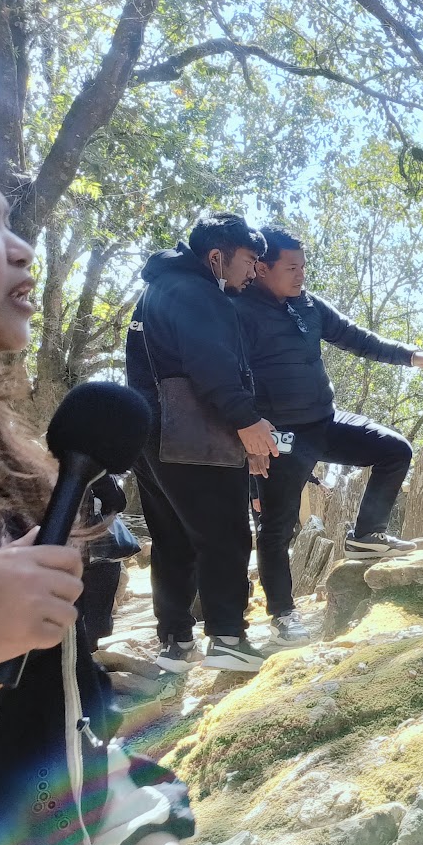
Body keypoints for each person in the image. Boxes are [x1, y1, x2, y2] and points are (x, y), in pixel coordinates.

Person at [0, 182, 196, 845]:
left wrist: (129, 825)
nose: (20, 251)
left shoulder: (11, 474)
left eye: (12, 225)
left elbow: (48, 710)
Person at [239, 226, 423, 645]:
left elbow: (357, 339)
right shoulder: (239, 311)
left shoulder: (310, 306)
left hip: (325, 422)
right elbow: (229, 379)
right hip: (281, 435)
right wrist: (249, 444)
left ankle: (367, 536)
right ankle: (282, 614)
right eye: (291, 267)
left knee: (394, 450)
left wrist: (409, 355)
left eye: (304, 266)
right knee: (276, 527)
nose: (300, 275)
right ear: (262, 269)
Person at [125, 214, 279, 674]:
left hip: (149, 434)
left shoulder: (158, 288)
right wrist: (247, 421)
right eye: (250, 260)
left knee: (172, 538)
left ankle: (175, 642)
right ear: (217, 256)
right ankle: (228, 638)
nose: (254, 272)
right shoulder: (197, 292)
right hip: (192, 434)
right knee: (225, 534)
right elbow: (211, 365)